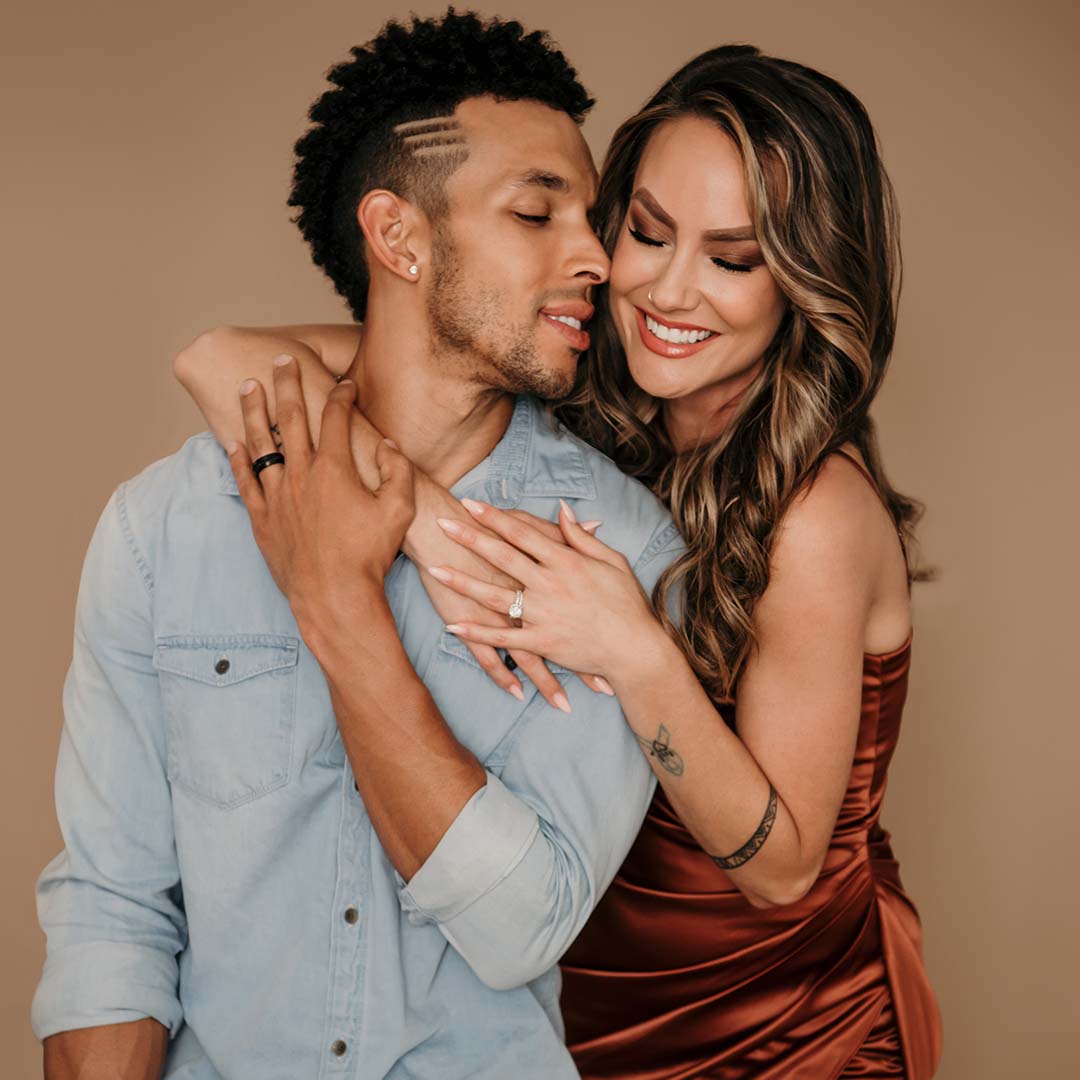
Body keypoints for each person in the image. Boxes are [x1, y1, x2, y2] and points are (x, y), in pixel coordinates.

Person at [182, 44, 944, 1079]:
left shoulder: (817, 513)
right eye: (649, 233)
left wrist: (635, 651)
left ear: (801, 283)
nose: (670, 292)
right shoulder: (594, 402)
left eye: (732, 258)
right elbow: (220, 357)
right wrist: (428, 533)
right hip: (586, 1005)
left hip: (779, 1026)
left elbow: (785, 865)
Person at [31, 12, 684, 1078]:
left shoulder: (619, 550)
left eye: (595, 220)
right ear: (399, 236)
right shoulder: (165, 528)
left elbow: (526, 923)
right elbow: (114, 911)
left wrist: (338, 606)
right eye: (537, 212)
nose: (599, 259)